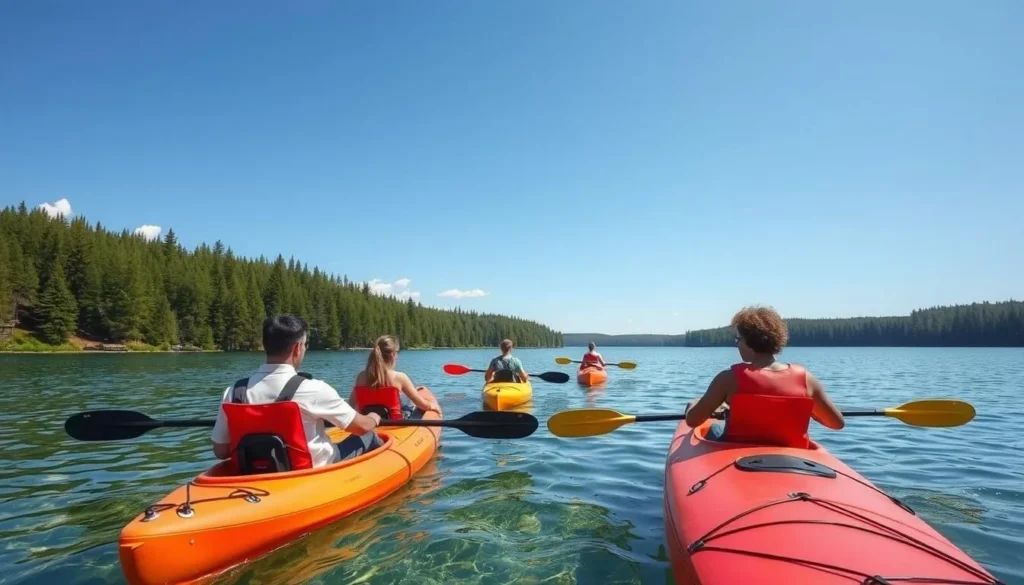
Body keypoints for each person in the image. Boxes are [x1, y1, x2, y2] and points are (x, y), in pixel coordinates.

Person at [211, 314, 383, 471]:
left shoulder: (234, 392)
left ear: (265, 346)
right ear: (298, 348)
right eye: (305, 345)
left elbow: (221, 451)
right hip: (309, 471)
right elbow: (361, 427)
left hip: (253, 472)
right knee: (369, 435)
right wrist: (374, 417)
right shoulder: (314, 389)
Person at [684, 306, 844, 448]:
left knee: (714, 428)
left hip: (736, 453)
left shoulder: (728, 378)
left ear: (748, 341)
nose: (737, 344)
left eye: (738, 339)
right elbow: (836, 423)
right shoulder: (806, 379)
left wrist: (694, 404)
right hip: (789, 456)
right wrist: (808, 410)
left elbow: (692, 421)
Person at [348, 335, 441, 419]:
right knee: (411, 404)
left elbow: (351, 405)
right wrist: (431, 405)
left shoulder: (361, 376)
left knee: (404, 399)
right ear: (393, 355)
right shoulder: (399, 377)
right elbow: (421, 405)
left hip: (368, 423)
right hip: (395, 424)